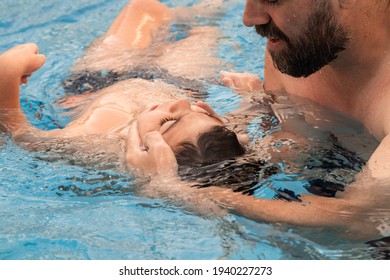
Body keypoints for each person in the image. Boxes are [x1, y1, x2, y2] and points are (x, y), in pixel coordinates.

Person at [0, 0, 246, 180]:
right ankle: (201, 12)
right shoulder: (207, 130)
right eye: (200, 114)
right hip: (180, 82)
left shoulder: (96, 144)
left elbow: (19, 134)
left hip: (100, 82)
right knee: (203, 32)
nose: (181, 105)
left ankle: (192, 14)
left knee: (141, 9)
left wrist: (7, 71)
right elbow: (243, 124)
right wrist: (251, 100)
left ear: (146, 152)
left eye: (168, 123)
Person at [216, 0, 390, 240]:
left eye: (272, 0)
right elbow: (298, 147)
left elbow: (358, 220)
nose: (249, 18)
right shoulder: (298, 45)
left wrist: (192, 193)